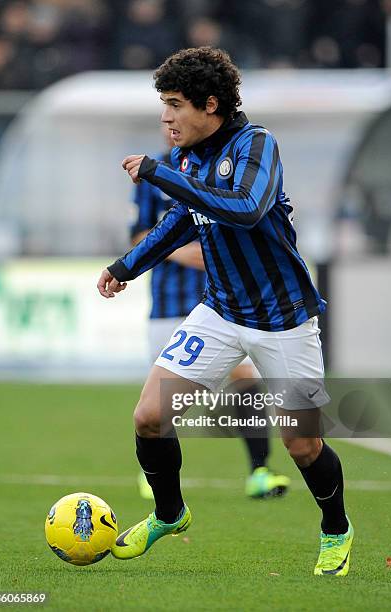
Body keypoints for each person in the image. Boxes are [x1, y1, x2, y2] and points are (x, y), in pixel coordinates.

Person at [97, 47, 353, 576]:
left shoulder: (256, 144)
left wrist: (157, 174)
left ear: (210, 103)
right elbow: (181, 221)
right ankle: (169, 514)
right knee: (149, 418)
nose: (166, 118)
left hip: (283, 319)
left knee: (303, 445)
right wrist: (126, 266)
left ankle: (335, 529)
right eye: (163, 105)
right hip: (220, 311)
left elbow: (245, 208)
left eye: (174, 104)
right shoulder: (187, 159)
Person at [131, 125, 290, 500]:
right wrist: (181, 253)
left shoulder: (226, 166)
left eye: (177, 109)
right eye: (166, 113)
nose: (171, 123)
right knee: (163, 400)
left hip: (222, 300)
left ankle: (260, 470)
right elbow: (138, 235)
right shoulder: (150, 176)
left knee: (244, 378)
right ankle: (154, 474)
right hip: (170, 300)